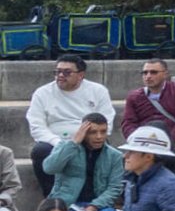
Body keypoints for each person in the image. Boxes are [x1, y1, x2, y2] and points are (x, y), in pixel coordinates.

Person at [26, 56, 114, 184]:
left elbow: (107, 120)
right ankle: (52, 198)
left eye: (67, 72)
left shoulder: (98, 91)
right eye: (57, 72)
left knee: (103, 148)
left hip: (88, 137)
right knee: (40, 151)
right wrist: (58, 142)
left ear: (81, 75)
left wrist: (85, 138)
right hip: (54, 140)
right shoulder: (42, 93)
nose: (60, 75)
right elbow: (36, 125)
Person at [119, 60, 175, 183]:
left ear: (165, 74)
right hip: (143, 147)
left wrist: (166, 140)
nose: (148, 76)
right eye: (145, 73)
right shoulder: (134, 96)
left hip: (173, 144)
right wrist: (138, 142)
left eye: (153, 72)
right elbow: (128, 123)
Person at [43, 115, 123, 211]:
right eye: (93, 132)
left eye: (103, 132)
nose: (99, 136)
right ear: (83, 132)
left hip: (100, 206)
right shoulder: (65, 147)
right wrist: (74, 143)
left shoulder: (115, 156)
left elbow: (114, 188)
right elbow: (49, 168)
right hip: (68, 204)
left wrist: (93, 207)